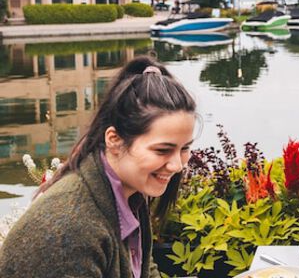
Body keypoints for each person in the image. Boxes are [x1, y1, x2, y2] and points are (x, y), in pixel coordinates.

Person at [0, 56, 197, 278]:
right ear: (114, 139)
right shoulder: (70, 232)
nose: (177, 165)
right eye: (162, 150)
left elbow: (142, 270)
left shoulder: (125, 193)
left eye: (184, 148)